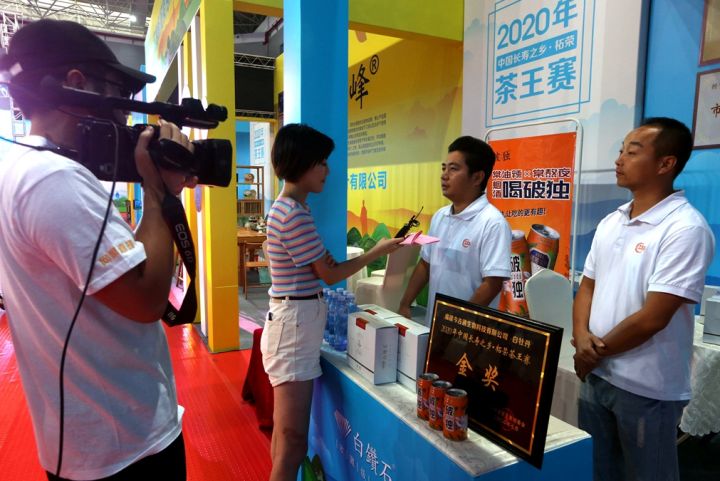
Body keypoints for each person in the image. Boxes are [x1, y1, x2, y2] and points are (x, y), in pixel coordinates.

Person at [0, 19, 198, 480]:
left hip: (87, 440)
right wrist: (159, 193)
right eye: (118, 94)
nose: (124, 115)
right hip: (123, 444)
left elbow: (116, 273)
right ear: (77, 83)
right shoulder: (54, 179)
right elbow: (147, 300)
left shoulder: (19, 168)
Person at [572, 117, 715, 481]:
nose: (619, 159)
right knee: (597, 471)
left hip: (646, 385)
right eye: (621, 150)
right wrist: (581, 338)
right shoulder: (612, 221)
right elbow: (587, 286)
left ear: (666, 164)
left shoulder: (685, 228)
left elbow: (653, 317)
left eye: (632, 152)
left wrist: (590, 353)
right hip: (597, 374)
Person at [262, 123, 403, 481]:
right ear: (302, 162)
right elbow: (330, 273)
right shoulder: (293, 214)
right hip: (294, 326)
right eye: (322, 162)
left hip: (294, 322)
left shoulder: (293, 209)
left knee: (285, 437)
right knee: (293, 442)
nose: (327, 170)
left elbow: (323, 266)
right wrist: (378, 251)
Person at [398, 136, 511, 325]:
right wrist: (404, 304)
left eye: (454, 169)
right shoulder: (440, 216)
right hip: (435, 324)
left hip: (469, 329)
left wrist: (458, 324)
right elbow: (425, 264)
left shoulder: (492, 222)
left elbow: (492, 284)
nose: (444, 175)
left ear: (477, 177)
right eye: (444, 168)